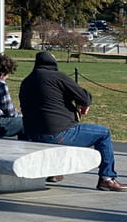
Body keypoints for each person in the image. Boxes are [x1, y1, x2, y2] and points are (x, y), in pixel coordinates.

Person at [19, 51, 125, 192]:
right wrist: (83, 105)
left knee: (52, 131)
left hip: (32, 135)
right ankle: (107, 178)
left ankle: (53, 171)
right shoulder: (57, 77)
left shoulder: (27, 81)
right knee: (103, 133)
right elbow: (84, 98)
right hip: (57, 134)